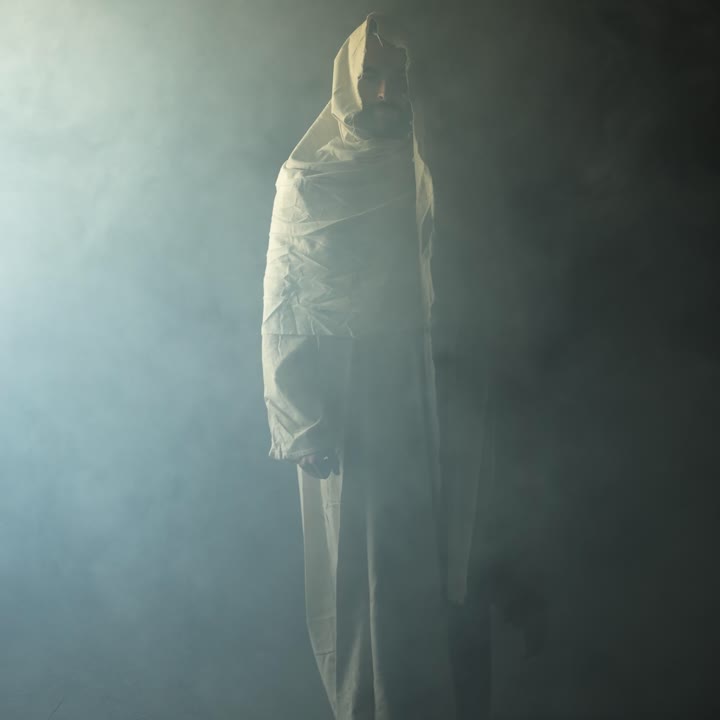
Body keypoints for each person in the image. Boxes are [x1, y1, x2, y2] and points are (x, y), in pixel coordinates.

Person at [260, 14, 477, 720]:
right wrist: (301, 419)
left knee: (427, 578)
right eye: (372, 79)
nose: (385, 94)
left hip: (420, 386)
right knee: (360, 583)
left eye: (397, 81)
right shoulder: (309, 180)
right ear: (348, 87)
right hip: (349, 406)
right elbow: (286, 301)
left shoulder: (418, 161)